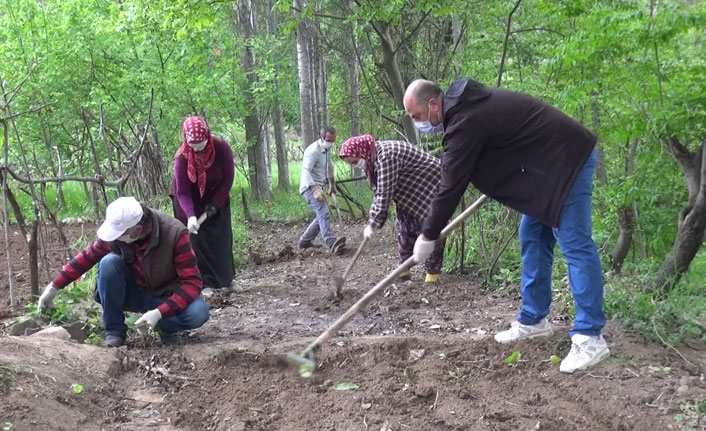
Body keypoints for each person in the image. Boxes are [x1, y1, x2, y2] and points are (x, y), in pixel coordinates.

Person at [403, 78, 609, 373]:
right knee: (532, 234)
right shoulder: (465, 113)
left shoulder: (465, 121)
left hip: (567, 160)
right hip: (545, 169)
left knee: (574, 242)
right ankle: (534, 319)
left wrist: (428, 234)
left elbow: (450, 187)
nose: (418, 123)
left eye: (417, 116)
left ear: (434, 104)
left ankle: (591, 337)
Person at [37, 197, 209, 347]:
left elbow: (192, 283)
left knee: (198, 312)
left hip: (165, 295)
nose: (115, 237)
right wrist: (54, 287)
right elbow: (86, 257)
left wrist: (160, 312)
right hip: (133, 292)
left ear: (137, 230)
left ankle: (164, 327)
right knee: (109, 263)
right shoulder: (118, 237)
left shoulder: (175, 234)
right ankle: (114, 331)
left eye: (120, 233)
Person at [338, 135, 444, 283]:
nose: (355, 165)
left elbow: (384, 193)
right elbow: (378, 192)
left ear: (362, 152)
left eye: (355, 161)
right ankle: (403, 274)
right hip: (408, 193)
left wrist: (374, 222)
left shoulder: (386, 157)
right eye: (352, 164)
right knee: (405, 231)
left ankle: (432, 277)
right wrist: (374, 219)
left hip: (430, 188)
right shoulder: (371, 160)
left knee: (430, 231)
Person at [170, 116, 235, 292]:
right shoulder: (181, 157)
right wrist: (191, 216)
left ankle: (225, 280)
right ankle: (203, 283)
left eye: (202, 144)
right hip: (188, 201)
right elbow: (182, 192)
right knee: (197, 242)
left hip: (216, 194)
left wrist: (216, 203)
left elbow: (228, 179)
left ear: (207, 135)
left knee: (220, 239)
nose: (198, 149)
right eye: (193, 145)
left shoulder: (221, 148)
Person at [298, 126, 346, 254]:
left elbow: (329, 167)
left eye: (333, 140)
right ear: (322, 137)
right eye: (329, 140)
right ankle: (332, 244)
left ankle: (304, 241)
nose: (331, 143)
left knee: (321, 215)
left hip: (320, 186)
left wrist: (332, 184)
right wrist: (314, 189)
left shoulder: (326, 150)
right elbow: (306, 170)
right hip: (309, 187)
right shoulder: (313, 150)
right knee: (324, 213)